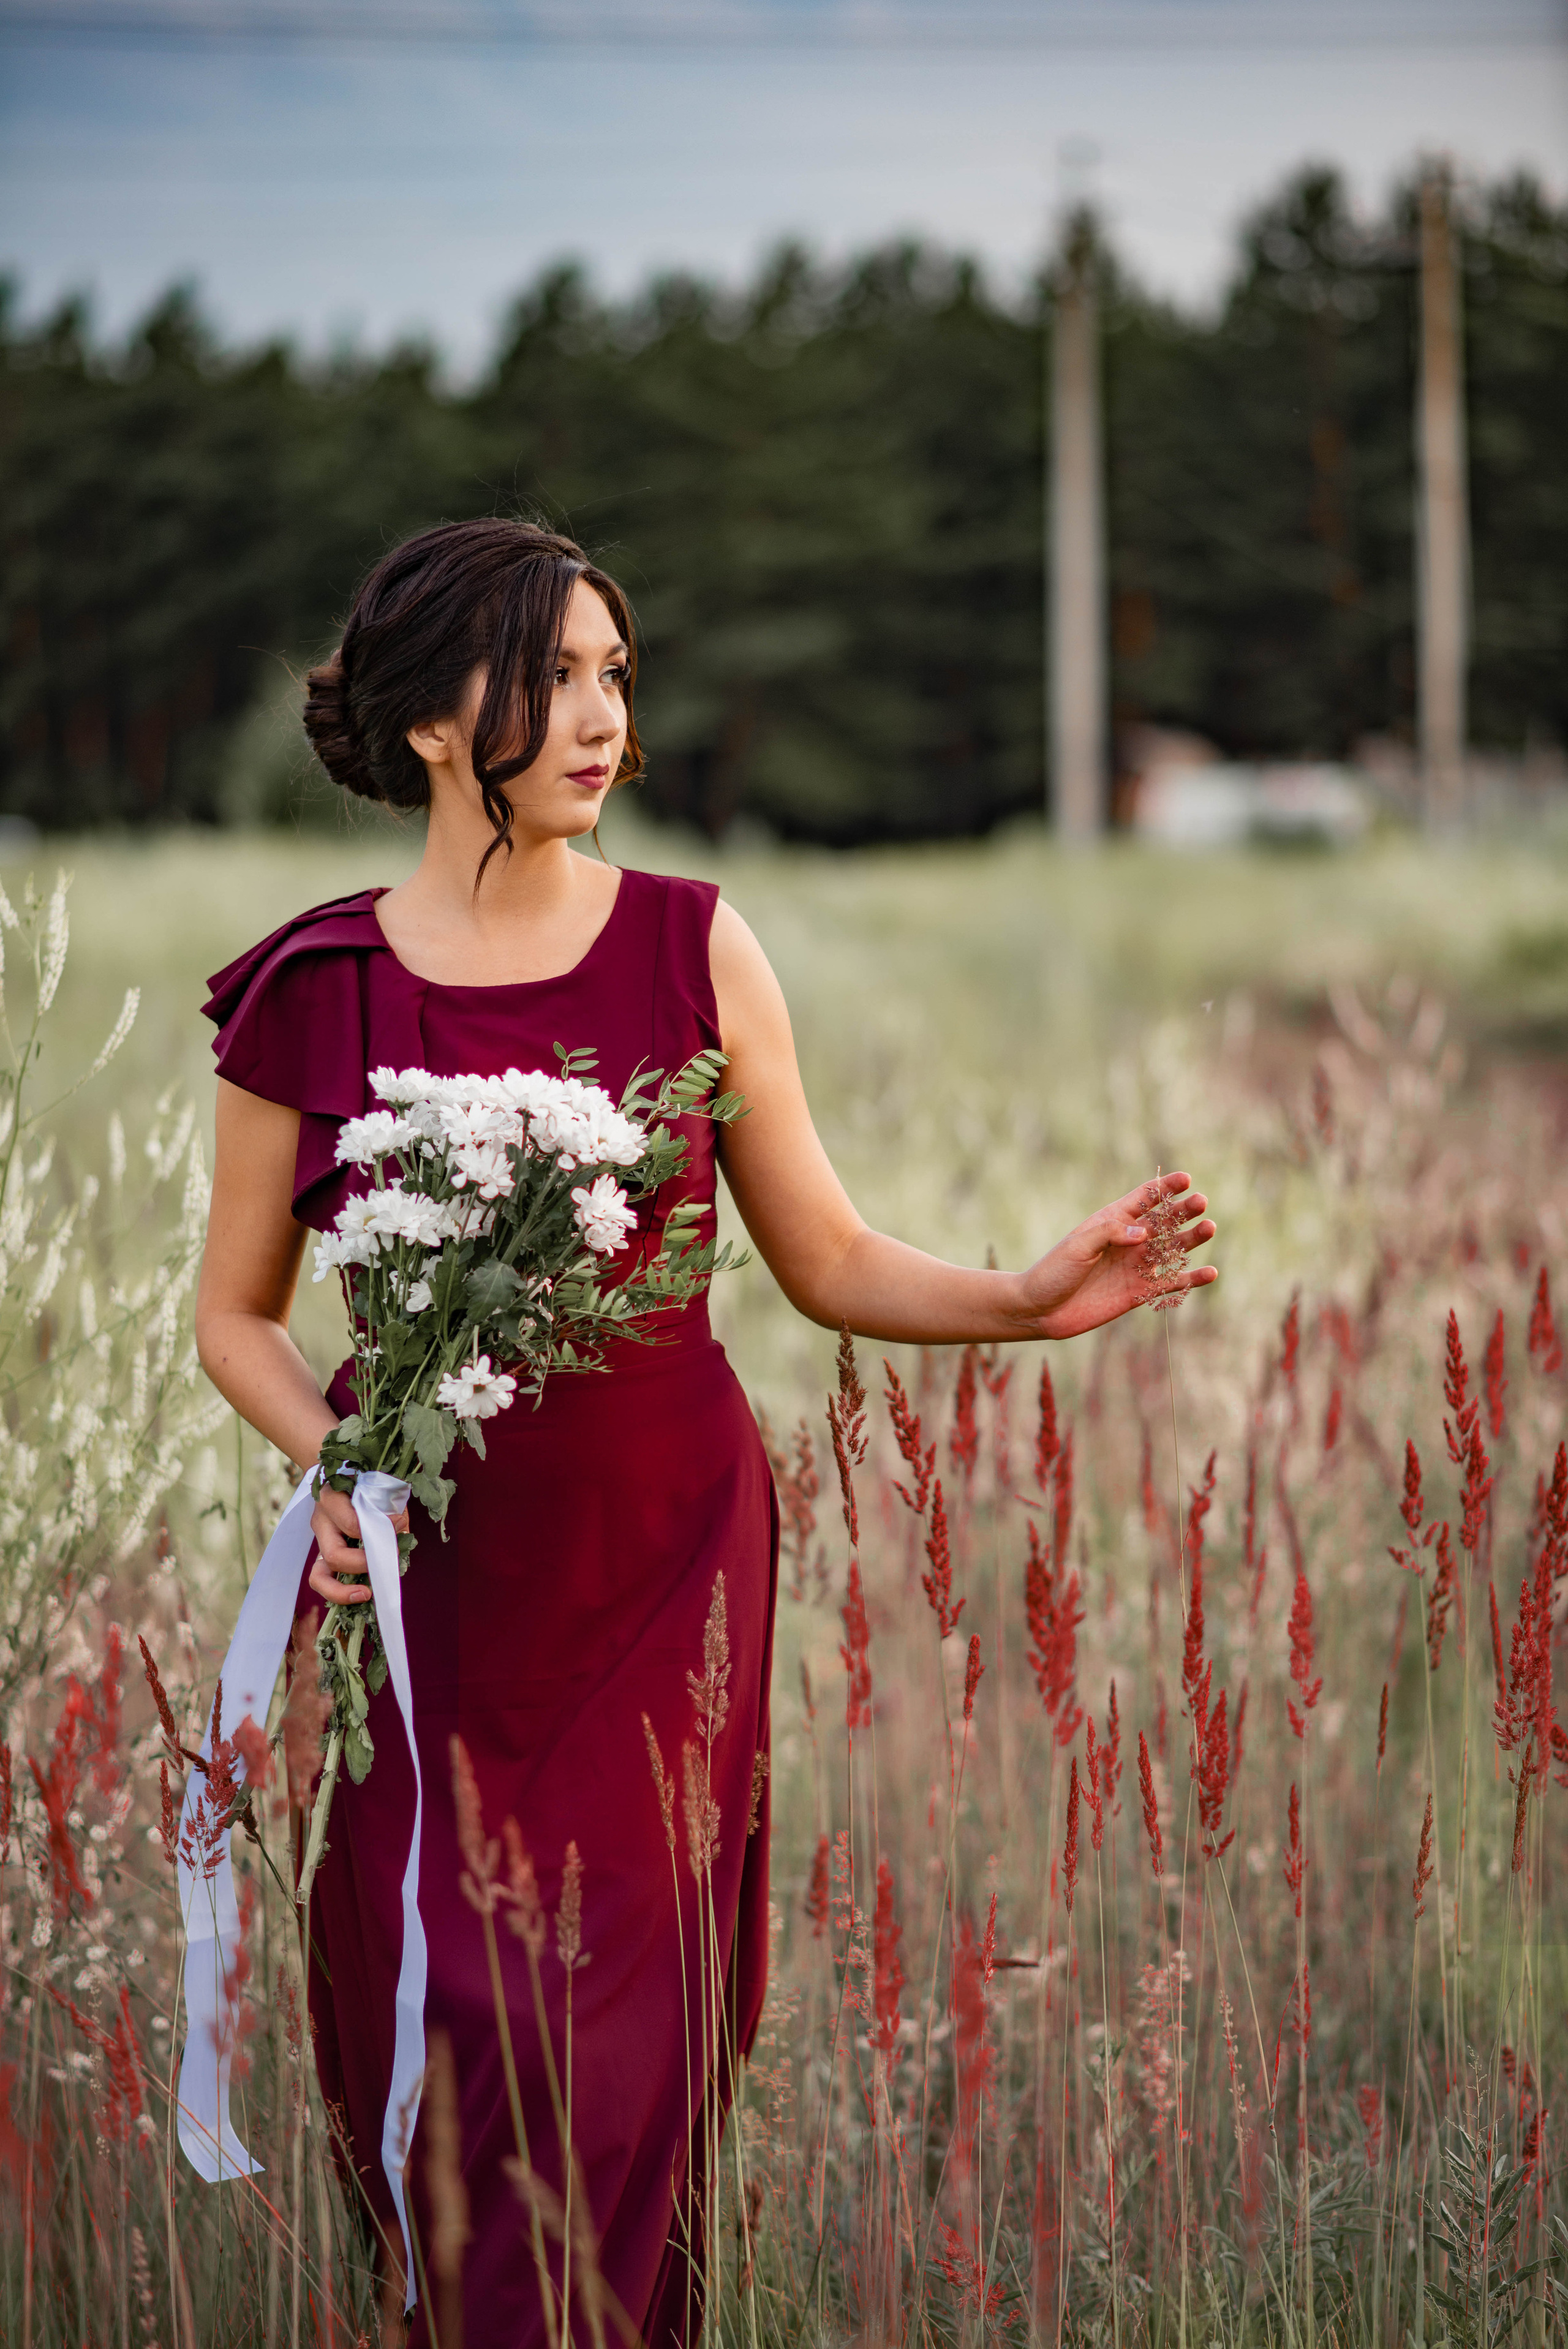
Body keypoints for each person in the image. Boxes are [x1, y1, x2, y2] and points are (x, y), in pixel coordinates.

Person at [194, 517, 1216, 2348]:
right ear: (435, 723)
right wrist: (332, 1463)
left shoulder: (694, 945)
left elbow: (818, 1254)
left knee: (611, 2041)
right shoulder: (314, 990)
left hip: (664, 1573)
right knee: (440, 2032)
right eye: (556, 677)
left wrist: (1028, 1296)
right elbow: (235, 1315)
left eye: (616, 677)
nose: (604, 719)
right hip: (430, 1590)